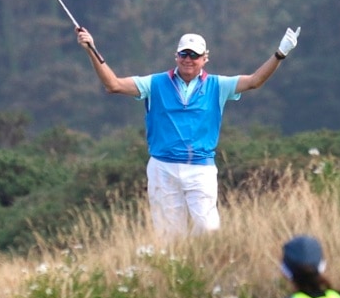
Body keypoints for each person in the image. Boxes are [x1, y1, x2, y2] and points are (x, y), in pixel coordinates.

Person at [75, 25, 301, 239]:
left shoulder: (217, 85)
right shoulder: (155, 83)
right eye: (184, 54)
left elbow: (254, 81)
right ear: (176, 56)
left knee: (209, 230)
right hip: (163, 168)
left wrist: (280, 54)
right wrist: (90, 50)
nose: (188, 59)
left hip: (200, 168)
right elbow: (113, 85)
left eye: (194, 55)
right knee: (169, 236)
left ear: (205, 58)